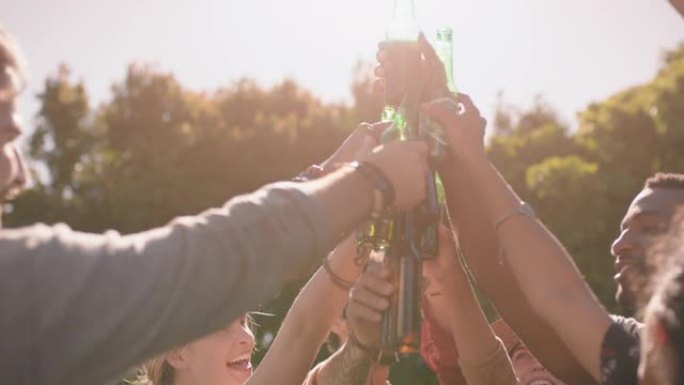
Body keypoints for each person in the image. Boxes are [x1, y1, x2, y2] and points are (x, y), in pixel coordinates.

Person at [0, 26, 432, 385]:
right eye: (6, 136)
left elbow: (301, 332)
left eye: (243, 320)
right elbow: (200, 264)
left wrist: (356, 216)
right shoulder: (17, 282)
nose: (19, 171)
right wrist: (368, 182)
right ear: (175, 349)